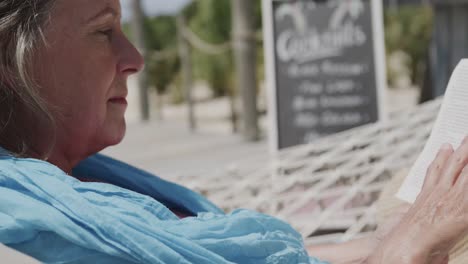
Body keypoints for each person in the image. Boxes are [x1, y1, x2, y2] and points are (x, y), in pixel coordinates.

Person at [1, 0, 468, 263]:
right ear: (10, 60)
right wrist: (413, 245)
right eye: (104, 32)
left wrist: (389, 236)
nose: (135, 59)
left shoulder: (78, 194)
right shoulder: (34, 238)